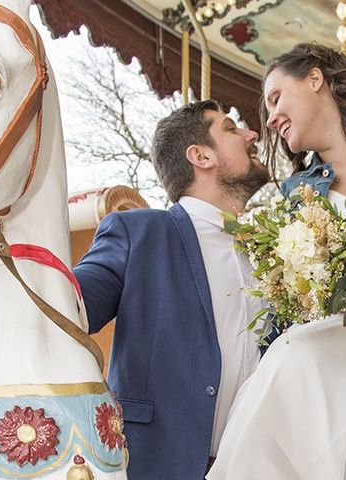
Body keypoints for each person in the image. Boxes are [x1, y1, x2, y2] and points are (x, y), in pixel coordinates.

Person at [208, 43, 346, 480]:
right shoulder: (296, 193)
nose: (269, 119)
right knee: (288, 353)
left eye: (275, 98)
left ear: (315, 79)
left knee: (296, 353)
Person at [73, 100, 271, 479]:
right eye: (231, 128)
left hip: (256, 463)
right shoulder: (138, 232)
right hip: (156, 463)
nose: (251, 135)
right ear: (201, 156)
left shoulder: (273, 249)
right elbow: (70, 310)